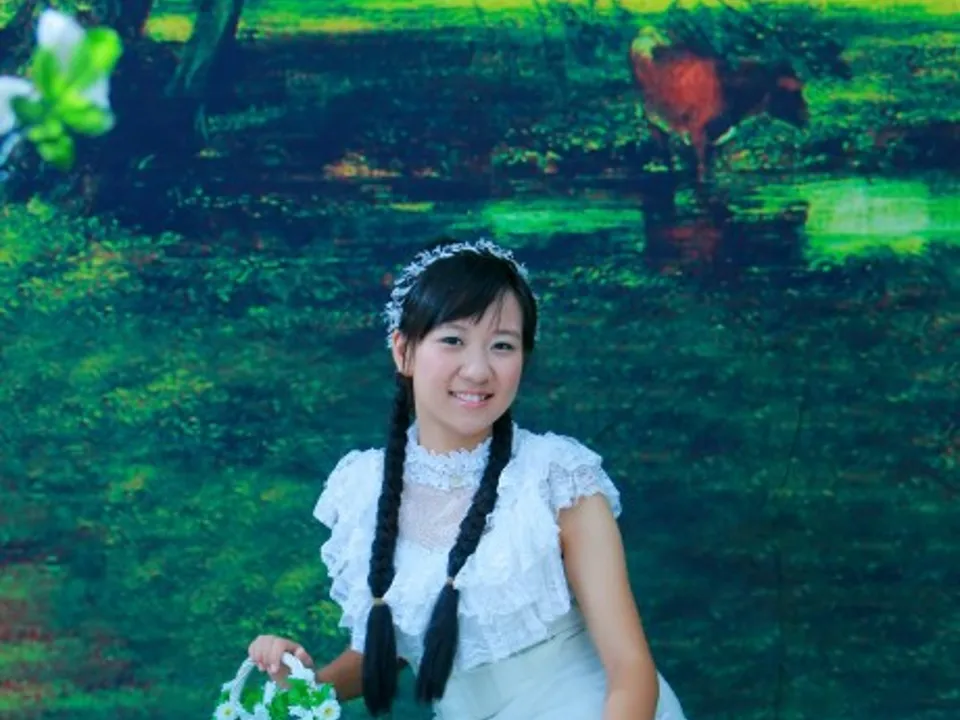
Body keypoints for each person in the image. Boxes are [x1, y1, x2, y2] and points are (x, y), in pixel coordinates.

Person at [248, 239, 689, 720]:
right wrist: (303, 685)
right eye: (453, 340)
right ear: (403, 351)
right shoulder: (363, 488)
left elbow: (630, 672)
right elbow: (407, 644)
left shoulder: (557, 480)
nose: (478, 370)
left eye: (502, 346)